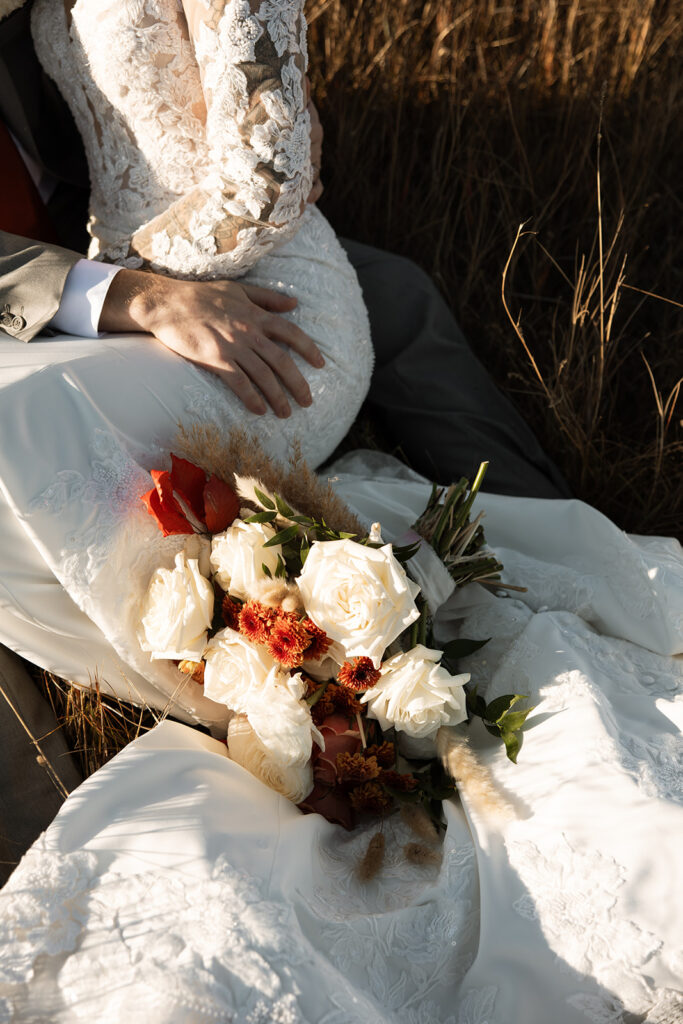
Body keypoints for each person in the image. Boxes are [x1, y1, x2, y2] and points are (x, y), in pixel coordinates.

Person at [1, 2, 681, 1022]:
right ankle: (67, 780)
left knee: (388, 291)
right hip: (87, 287)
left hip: (187, 258)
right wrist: (123, 288)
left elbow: (245, 148)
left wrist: (261, 168)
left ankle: (541, 524)